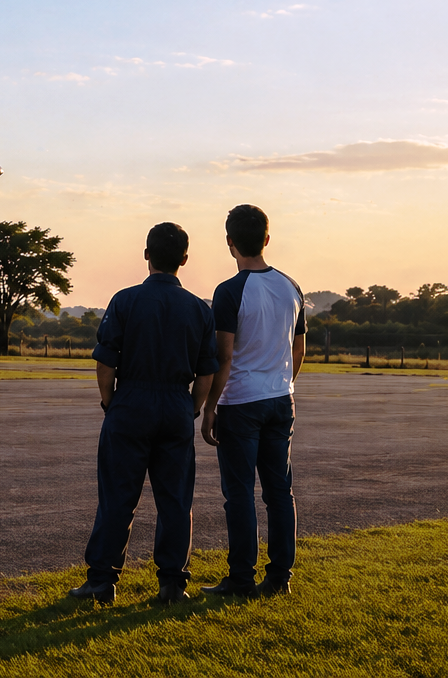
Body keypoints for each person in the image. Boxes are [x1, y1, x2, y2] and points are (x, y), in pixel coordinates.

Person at [70, 223, 217, 605]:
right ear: (184, 260)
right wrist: (193, 408)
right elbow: (206, 371)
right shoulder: (200, 309)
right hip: (175, 406)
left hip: (131, 402)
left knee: (118, 497)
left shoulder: (125, 300)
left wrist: (110, 403)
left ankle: (102, 581)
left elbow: (105, 363)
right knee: (175, 500)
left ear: (146, 254)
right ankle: (171, 584)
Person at [200, 204, 306, 597]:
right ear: (266, 238)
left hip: (241, 402)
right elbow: (299, 349)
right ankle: (280, 578)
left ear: (229, 243)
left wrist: (210, 407)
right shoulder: (291, 286)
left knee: (240, 492)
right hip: (281, 399)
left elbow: (223, 356)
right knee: (280, 492)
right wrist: (281, 383)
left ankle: (241, 578)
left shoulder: (229, 291)